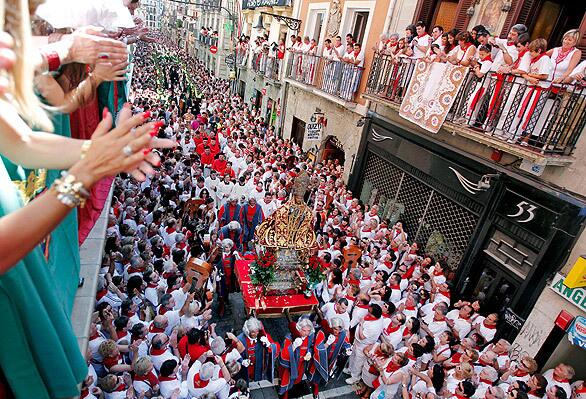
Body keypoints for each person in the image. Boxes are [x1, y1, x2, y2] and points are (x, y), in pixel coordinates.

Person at [278, 318, 328, 399]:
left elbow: (311, 347)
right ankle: (285, 395)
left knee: (296, 380)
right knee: (286, 380)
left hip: (301, 364)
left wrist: (309, 352)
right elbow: (283, 355)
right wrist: (293, 346)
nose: (306, 333)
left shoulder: (309, 337)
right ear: (299, 329)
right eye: (304, 330)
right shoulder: (289, 338)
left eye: (308, 330)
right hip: (291, 365)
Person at [237, 317, 280, 383]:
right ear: (248, 331)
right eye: (253, 332)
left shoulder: (263, 337)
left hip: (259, 368)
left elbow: (275, 349)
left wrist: (269, 345)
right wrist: (241, 361)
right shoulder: (240, 339)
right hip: (246, 369)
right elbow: (235, 354)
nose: (256, 334)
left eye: (257, 331)